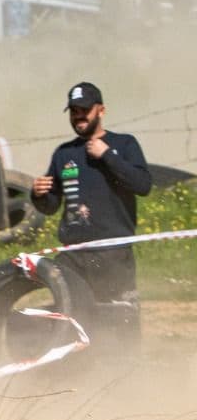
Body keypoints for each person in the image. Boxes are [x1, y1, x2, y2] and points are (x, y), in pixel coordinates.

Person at [31, 82, 151, 338]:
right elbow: (51, 206)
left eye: (84, 109)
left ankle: (127, 371)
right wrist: (38, 194)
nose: (79, 116)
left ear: (101, 110)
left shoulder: (124, 144)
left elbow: (143, 185)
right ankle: (77, 370)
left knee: (120, 319)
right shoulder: (63, 153)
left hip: (113, 253)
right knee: (73, 318)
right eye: (74, 110)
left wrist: (107, 155)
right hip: (73, 256)